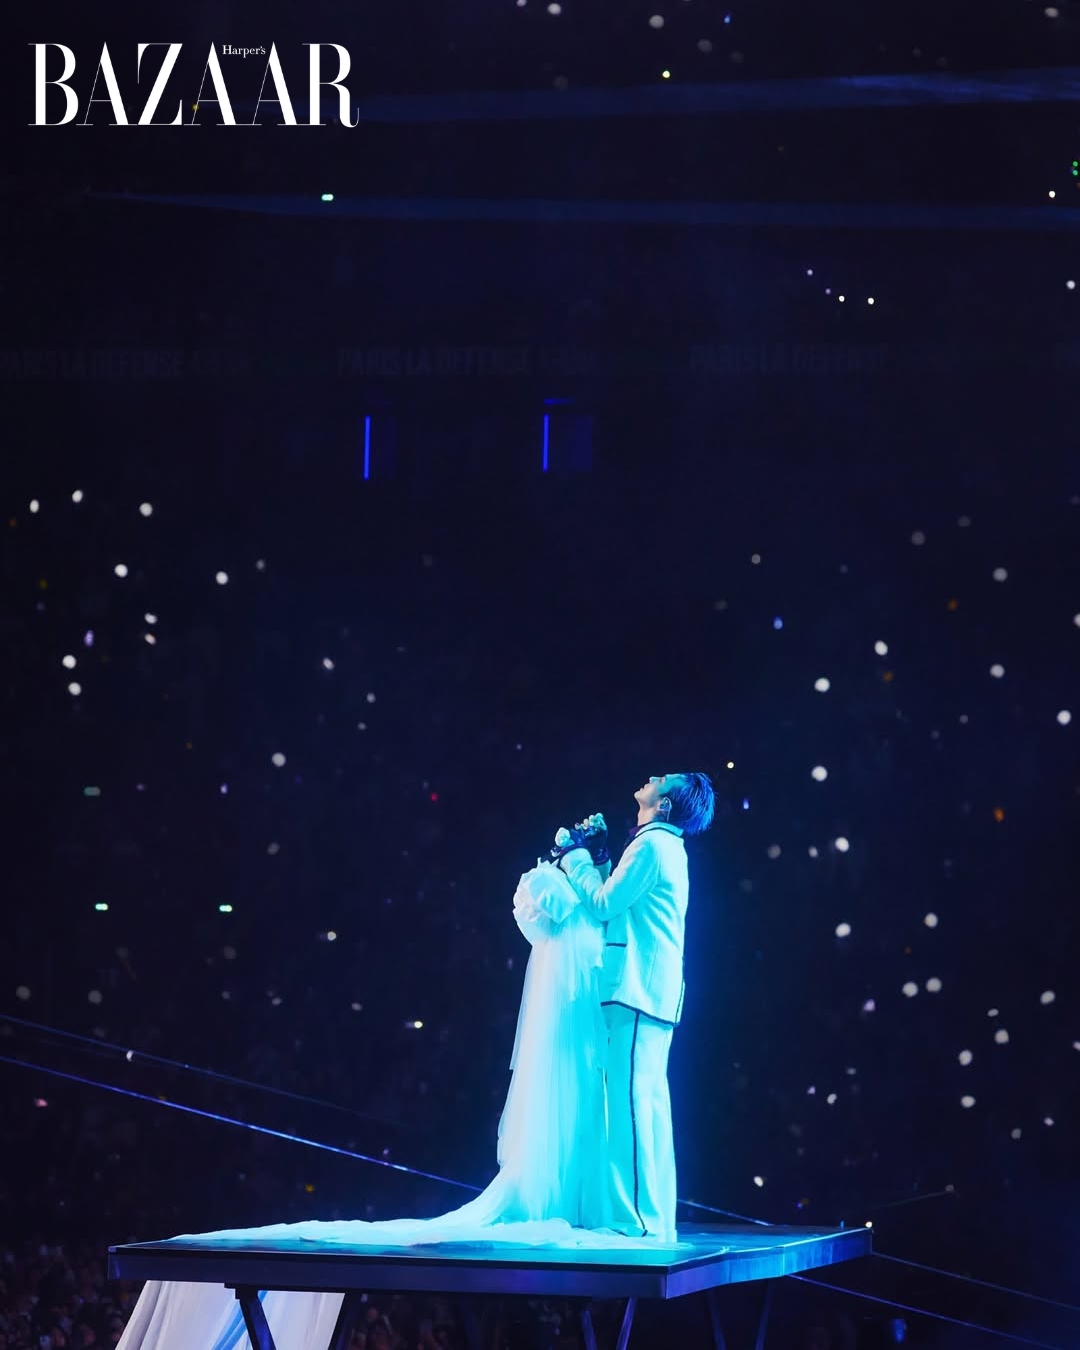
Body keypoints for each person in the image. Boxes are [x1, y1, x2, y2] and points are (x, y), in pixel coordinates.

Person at [554, 772, 715, 1241]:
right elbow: (622, 902)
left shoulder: (652, 845)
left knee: (631, 1108)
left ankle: (637, 1223)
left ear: (665, 804)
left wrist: (575, 859)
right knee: (645, 1106)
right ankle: (650, 1218)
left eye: (664, 779)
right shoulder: (661, 845)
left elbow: (604, 904)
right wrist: (600, 857)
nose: (653, 777)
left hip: (636, 990)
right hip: (647, 991)